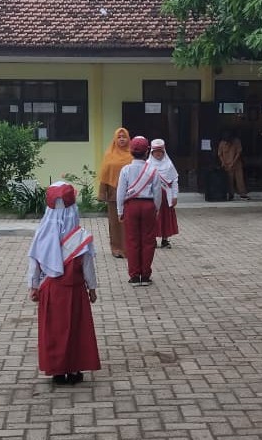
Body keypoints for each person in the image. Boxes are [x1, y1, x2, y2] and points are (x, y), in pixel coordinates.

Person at [28, 181, 101, 385]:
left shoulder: (41, 233)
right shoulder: (81, 237)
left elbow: (34, 263)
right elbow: (87, 266)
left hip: (50, 290)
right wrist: (92, 288)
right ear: (73, 208)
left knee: (54, 331)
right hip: (74, 290)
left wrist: (33, 286)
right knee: (76, 329)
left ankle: (57, 371)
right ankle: (74, 369)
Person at [117, 136, 163, 286]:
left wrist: (120, 211)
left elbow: (120, 192)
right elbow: (157, 193)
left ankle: (135, 276)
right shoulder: (152, 170)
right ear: (147, 152)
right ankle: (146, 276)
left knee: (132, 241)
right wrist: (156, 209)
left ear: (131, 151)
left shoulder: (126, 170)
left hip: (131, 206)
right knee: (148, 241)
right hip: (148, 206)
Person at [97, 127, 132, 257]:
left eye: (124, 137)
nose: (122, 139)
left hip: (130, 194)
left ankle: (129, 248)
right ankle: (116, 248)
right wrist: (102, 193)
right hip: (113, 193)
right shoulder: (109, 155)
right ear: (115, 139)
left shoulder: (133, 155)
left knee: (129, 222)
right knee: (115, 222)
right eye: (119, 137)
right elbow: (104, 175)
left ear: (128, 139)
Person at [149, 139, 179, 249]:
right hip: (152, 197)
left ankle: (165, 240)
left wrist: (175, 196)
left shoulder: (169, 165)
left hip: (166, 197)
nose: (158, 153)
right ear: (152, 152)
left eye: (160, 151)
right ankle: (152, 240)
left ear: (164, 152)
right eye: (155, 151)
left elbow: (174, 181)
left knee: (165, 218)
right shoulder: (147, 165)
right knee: (153, 219)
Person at [217, 129, 249, 200]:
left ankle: (242, 194)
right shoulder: (222, 143)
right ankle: (231, 194)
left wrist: (233, 162)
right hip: (227, 164)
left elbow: (238, 153)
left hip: (237, 163)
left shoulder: (237, 141)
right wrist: (223, 162)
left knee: (239, 179)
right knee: (229, 180)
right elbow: (220, 154)